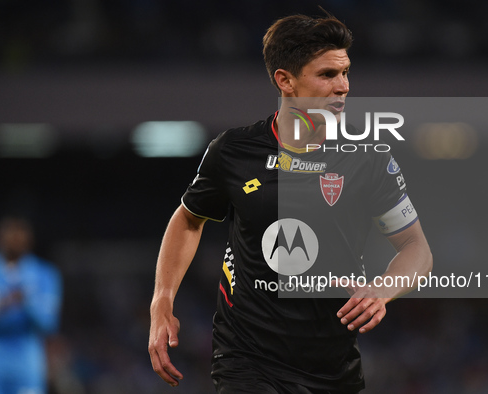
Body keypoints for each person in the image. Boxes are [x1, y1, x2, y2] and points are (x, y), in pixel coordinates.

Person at [149, 12, 432, 393]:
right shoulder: (234, 152)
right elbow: (188, 219)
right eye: (327, 75)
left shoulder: (369, 159)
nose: (343, 86)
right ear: (285, 81)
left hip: (332, 367)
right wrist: (161, 301)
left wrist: (382, 290)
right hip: (246, 360)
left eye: (346, 73)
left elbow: (417, 249)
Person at [0, 217, 63, 394]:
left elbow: (49, 324)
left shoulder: (45, 274)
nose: (15, 241)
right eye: (10, 235)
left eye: (20, 236)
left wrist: (26, 302)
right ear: (0, 238)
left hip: (27, 365)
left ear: (29, 240)